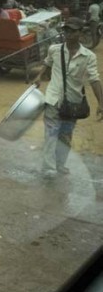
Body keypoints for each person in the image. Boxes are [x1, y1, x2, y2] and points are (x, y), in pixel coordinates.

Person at [30, 17, 103, 178]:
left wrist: (101, 103)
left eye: (73, 31)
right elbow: (48, 64)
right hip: (53, 98)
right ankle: (49, 167)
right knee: (51, 133)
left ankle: (60, 164)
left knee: (65, 134)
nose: (69, 34)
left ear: (80, 33)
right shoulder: (55, 49)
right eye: (67, 30)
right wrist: (39, 77)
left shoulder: (88, 56)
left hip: (73, 102)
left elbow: (94, 80)